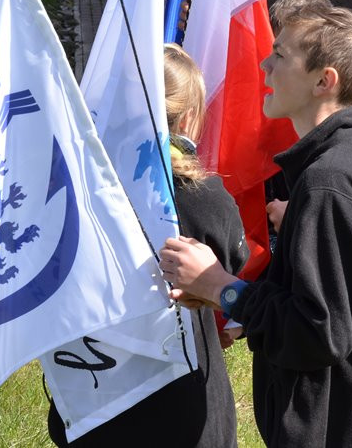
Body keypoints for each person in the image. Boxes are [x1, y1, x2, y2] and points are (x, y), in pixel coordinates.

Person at [159, 0, 352, 447]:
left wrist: (220, 286)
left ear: (324, 82)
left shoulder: (332, 184)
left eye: (281, 55)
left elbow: (318, 333)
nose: (265, 64)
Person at [47, 43, 249, 448]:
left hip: (90, 391)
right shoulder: (202, 197)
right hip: (178, 404)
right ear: (189, 117)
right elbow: (233, 260)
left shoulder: (74, 183)